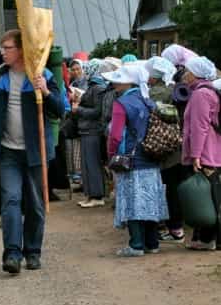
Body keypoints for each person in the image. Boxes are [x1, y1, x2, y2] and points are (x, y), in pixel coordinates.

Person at [0, 29, 65, 274]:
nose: (2, 52)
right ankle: (13, 254)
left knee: (36, 205)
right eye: (2, 48)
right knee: (11, 201)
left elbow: (60, 110)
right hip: (7, 152)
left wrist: (46, 92)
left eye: (7, 48)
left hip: (36, 152)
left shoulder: (43, 76)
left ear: (20, 50)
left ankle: (33, 251)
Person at [104, 64, 168, 257]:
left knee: (132, 200)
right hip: (151, 157)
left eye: (119, 79)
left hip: (130, 160)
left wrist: (111, 155)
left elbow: (115, 136)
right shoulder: (148, 100)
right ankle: (152, 242)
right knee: (150, 200)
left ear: (129, 82)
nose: (115, 82)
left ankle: (136, 244)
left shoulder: (122, 103)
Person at [181, 56, 221, 250]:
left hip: (205, 153)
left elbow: (199, 127)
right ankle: (204, 238)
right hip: (213, 151)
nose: (184, 74)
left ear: (195, 74)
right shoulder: (208, 91)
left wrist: (195, 154)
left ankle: (208, 239)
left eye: (187, 71)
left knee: (207, 197)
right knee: (210, 194)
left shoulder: (200, 95)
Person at [145, 57, 185, 243]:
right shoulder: (173, 90)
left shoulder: (153, 94)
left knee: (167, 189)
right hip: (177, 144)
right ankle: (177, 226)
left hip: (161, 144)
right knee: (175, 187)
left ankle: (173, 227)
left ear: (153, 77)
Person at [71, 60, 110, 208]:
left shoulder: (97, 87)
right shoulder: (94, 86)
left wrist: (78, 109)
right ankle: (91, 194)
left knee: (92, 163)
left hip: (92, 130)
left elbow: (97, 111)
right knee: (87, 164)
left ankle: (97, 195)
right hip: (87, 129)